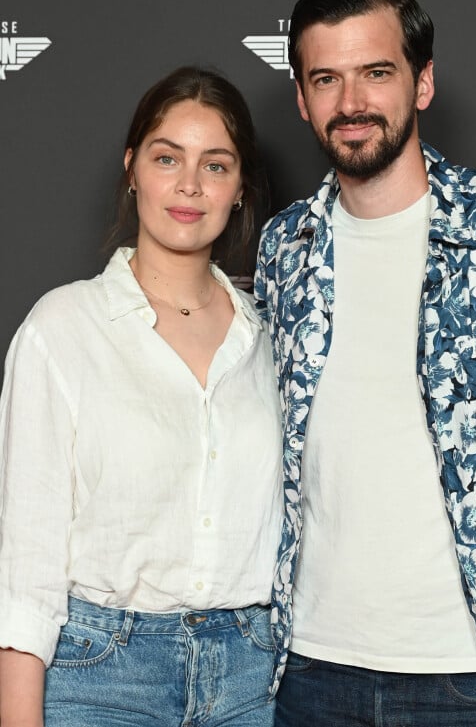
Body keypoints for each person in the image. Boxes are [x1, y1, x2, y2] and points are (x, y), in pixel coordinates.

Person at [254, 0, 476, 727]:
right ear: (302, 100)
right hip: (310, 666)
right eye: (326, 79)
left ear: (422, 82)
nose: (352, 103)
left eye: (376, 72)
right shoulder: (285, 247)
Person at [0, 66, 283, 727]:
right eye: (167, 158)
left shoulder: (270, 338)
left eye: (215, 165)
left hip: (251, 678)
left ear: (239, 186)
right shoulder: (62, 329)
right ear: (132, 169)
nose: (189, 184)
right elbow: (25, 563)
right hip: (99, 677)